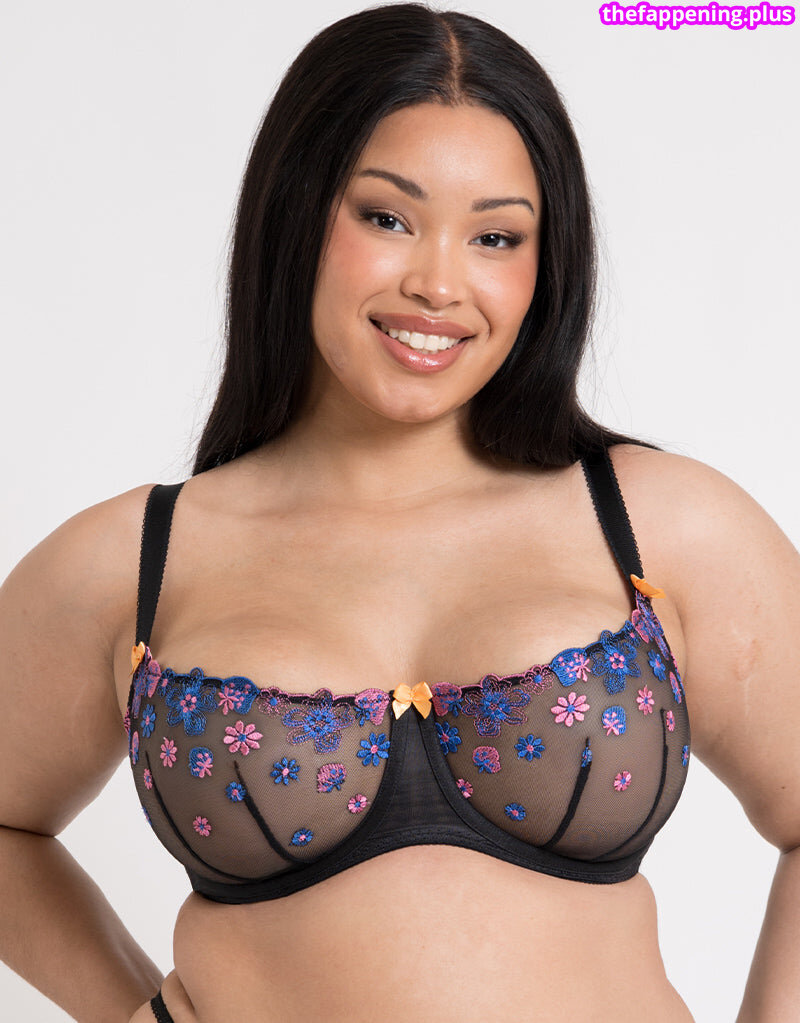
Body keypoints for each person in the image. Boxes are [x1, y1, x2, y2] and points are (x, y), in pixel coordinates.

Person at [1, 4, 797, 1021]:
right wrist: (126, 1011)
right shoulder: (135, 558)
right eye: (386, 218)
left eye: (496, 236)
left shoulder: (659, 523)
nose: (437, 284)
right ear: (296, 212)